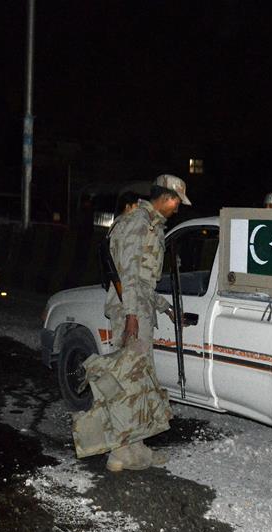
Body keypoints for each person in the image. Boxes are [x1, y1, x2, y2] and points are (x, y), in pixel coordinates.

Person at [84, 174, 190, 472]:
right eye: (177, 202)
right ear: (167, 197)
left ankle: (136, 445)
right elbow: (127, 273)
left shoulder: (151, 224)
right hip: (130, 313)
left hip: (139, 309)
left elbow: (144, 283)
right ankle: (119, 453)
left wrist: (166, 309)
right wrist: (131, 315)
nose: (178, 208)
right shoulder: (138, 223)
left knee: (139, 380)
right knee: (127, 381)